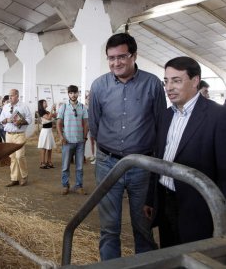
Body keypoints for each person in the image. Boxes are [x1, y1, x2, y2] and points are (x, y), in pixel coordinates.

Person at [88, 33, 166, 260]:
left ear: (134, 55)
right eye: (111, 58)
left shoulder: (152, 84)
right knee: (109, 227)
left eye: (121, 56)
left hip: (142, 165)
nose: (116, 63)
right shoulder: (99, 86)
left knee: (143, 226)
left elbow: (160, 125)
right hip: (107, 163)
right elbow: (94, 124)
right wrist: (102, 153)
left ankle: (145, 265)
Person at [144, 56, 226, 248]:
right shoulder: (165, 115)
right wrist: (151, 198)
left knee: (196, 256)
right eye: (166, 81)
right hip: (165, 202)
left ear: (195, 81)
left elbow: (224, 172)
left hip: (198, 206)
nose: (169, 87)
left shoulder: (218, 116)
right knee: (170, 253)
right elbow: (158, 158)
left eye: (176, 80)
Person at [57, 85, 88, 195]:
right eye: (71, 93)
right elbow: (59, 123)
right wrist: (61, 137)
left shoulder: (83, 107)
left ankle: (78, 186)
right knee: (65, 166)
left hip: (80, 142)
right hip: (67, 142)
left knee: (79, 166)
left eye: (75, 93)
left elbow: (85, 123)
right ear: (68, 94)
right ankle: (65, 185)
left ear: (78, 94)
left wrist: (84, 137)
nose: (73, 95)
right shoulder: (64, 107)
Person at [0, 89, 32, 187]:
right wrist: (7, 120)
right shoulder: (5, 107)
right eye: (9, 96)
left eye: (12, 96)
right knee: (12, 157)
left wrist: (21, 122)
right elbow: (1, 120)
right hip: (8, 135)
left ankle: (24, 176)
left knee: (19, 156)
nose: (10, 98)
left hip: (19, 134)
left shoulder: (24, 106)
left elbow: (30, 119)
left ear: (17, 96)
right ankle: (14, 179)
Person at [37, 99, 57, 169]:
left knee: (50, 147)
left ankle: (49, 161)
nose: (46, 103)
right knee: (44, 147)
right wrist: (51, 110)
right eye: (45, 103)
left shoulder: (47, 111)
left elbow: (55, 116)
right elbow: (48, 118)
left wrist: (54, 109)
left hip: (49, 131)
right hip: (45, 131)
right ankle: (42, 162)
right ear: (41, 104)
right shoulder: (41, 111)